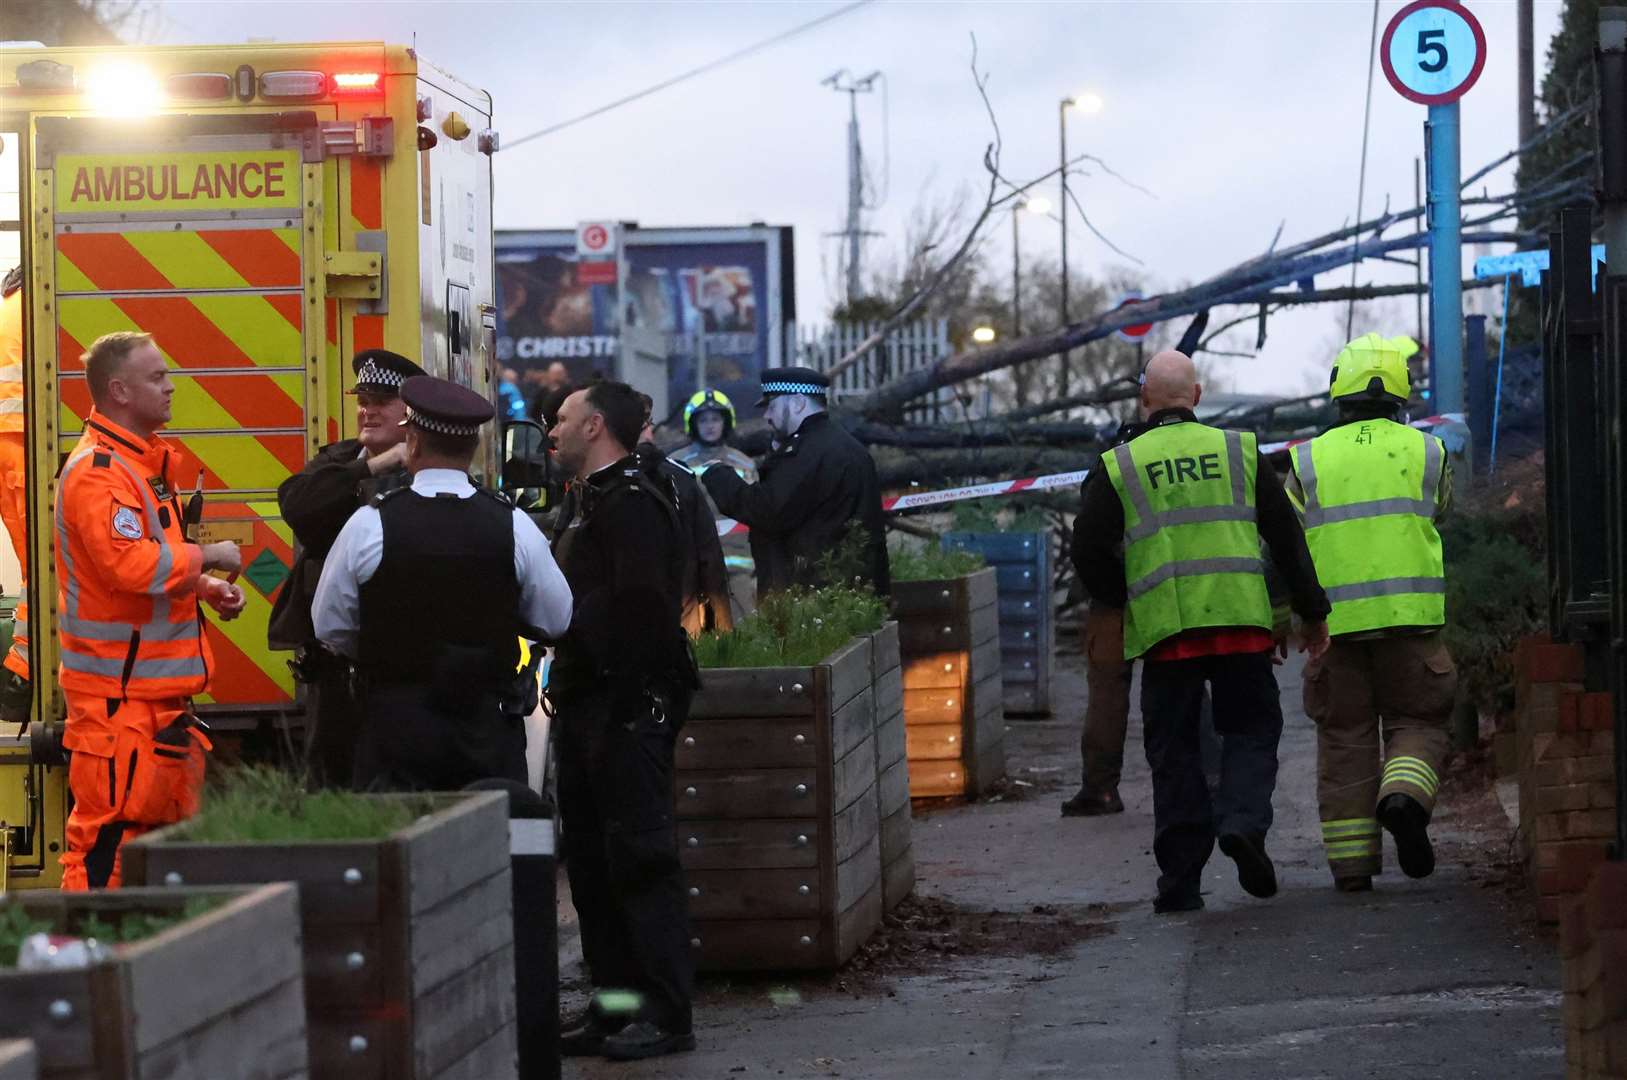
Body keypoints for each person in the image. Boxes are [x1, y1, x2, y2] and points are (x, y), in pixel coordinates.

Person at [1074, 350, 1330, 914]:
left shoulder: (1121, 463)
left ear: (1144, 401)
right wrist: (1310, 612)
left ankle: (1181, 884)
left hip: (1168, 635)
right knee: (1252, 733)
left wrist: (1126, 597)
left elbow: (1087, 547)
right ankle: (1241, 823)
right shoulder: (1240, 451)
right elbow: (1286, 539)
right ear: (1196, 395)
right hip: (1241, 625)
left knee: (1175, 754)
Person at [311, 375, 572, 791]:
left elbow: (330, 627)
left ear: (412, 442)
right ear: (472, 449)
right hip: (487, 733)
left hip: (394, 733)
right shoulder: (514, 525)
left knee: (398, 848)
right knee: (495, 849)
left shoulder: (369, 524)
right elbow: (556, 619)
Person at [55, 332, 246, 889]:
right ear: (119, 391)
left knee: (152, 852)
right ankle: (87, 964)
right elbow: (128, 567)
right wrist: (208, 554)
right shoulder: (100, 472)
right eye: (156, 378)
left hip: (146, 706)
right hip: (118, 708)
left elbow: (144, 569)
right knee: (107, 849)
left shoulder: (137, 467)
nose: (170, 387)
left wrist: (203, 585)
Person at [547, 380, 697, 1061]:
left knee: (638, 860)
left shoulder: (631, 504)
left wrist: (580, 641)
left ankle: (665, 1015)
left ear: (595, 426)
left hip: (624, 706)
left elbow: (639, 610)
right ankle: (613, 1010)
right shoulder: (590, 501)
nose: (551, 429)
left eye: (562, 417)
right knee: (592, 865)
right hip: (587, 703)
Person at [1287, 333, 1456, 892]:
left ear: (1340, 392)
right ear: (1403, 392)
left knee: (1345, 739)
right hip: (1412, 622)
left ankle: (1353, 868)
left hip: (1334, 632)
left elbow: (1287, 544)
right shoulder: (1428, 451)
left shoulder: (1306, 459)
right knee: (1419, 722)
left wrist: (1290, 620)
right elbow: (1442, 510)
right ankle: (1404, 797)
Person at [268, 349, 423, 787]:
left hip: (399, 657)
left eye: (382, 401)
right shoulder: (338, 461)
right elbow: (297, 503)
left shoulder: (425, 467)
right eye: (363, 400)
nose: (368, 410)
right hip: (334, 667)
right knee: (330, 781)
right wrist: (373, 466)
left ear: (410, 412)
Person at [702, 367, 888, 596]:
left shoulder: (807, 452)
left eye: (772, 406)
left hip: (815, 597)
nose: (767, 416)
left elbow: (767, 509)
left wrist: (718, 475)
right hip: (846, 593)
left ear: (798, 403)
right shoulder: (843, 445)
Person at [1062, 419, 1145, 818]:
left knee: (1107, 696)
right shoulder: (1168, 462)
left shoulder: (1109, 467)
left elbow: (1087, 541)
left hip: (1113, 602)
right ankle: (1209, 782)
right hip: (1169, 593)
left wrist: (1109, 591)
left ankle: (1100, 789)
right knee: (1187, 688)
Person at [635, 395, 733, 635]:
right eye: (644, 425)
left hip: (734, 569)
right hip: (677, 619)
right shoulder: (677, 468)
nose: (710, 425)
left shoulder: (675, 473)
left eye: (715, 418)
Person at [669, 388, 759, 622]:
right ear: (693, 423)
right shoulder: (677, 463)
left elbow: (756, 511)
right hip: (695, 566)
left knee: (747, 627)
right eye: (704, 419)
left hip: (740, 564)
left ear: (726, 421)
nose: (710, 425)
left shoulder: (744, 463)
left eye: (716, 418)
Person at [0, 269, 30, 721]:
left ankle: (20, 675)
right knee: (46, 569)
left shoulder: (8, 306)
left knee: (34, 568)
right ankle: (22, 675)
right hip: (24, 447)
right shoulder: (31, 306)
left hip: (11, 447)